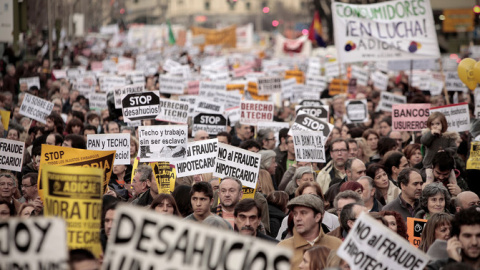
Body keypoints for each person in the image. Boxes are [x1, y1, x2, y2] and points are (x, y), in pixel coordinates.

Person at [277, 194, 342, 269]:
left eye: (303, 213)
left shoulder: (337, 245)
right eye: (295, 214)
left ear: (317, 217)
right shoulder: (283, 248)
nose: (297, 218)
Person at [421, 112, 458, 184]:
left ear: (443, 124)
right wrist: (431, 134)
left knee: (453, 181)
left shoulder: (448, 136)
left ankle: (454, 194)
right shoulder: (428, 135)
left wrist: (445, 151)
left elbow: (454, 148)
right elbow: (424, 142)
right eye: (432, 124)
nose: (435, 126)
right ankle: (427, 194)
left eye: (438, 124)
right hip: (430, 164)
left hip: (447, 165)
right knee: (429, 180)